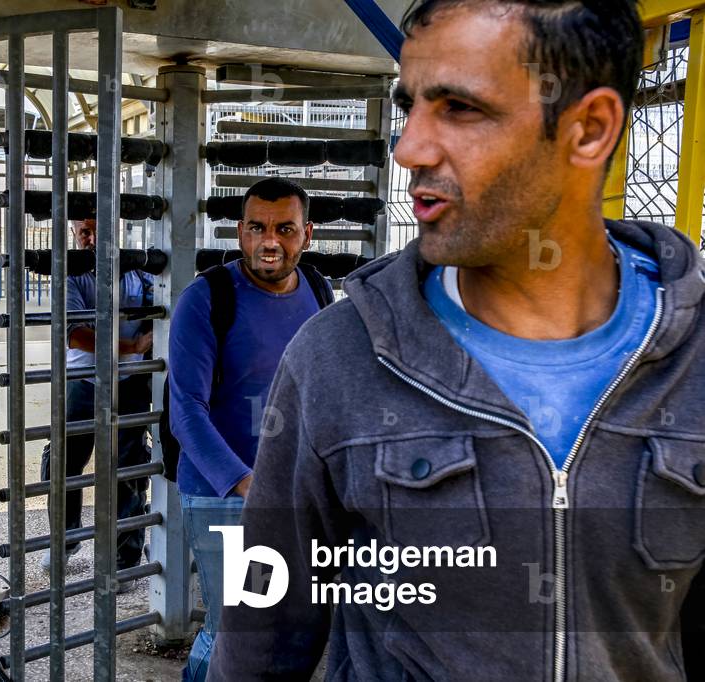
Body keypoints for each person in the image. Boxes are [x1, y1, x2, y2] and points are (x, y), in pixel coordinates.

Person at [209, 1, 705, 680]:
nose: (409, 147)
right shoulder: (336, 358)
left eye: (459, 108)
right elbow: (261, 632)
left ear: (588, 130)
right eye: (409, 105)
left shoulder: (695, 357)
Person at [169, 177, 332, 681]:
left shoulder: (320, 291)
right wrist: (247, 484)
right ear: (239, 232)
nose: (270, 241)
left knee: (283, 627)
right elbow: (186, 412)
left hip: (295, 493)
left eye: (285, 229)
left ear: (307, 233)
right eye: (257, 227)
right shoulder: (206, 299)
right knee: (234, 630)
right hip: (224, 494)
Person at [39, 218, 153, 589]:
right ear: (73, 235)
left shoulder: (139, 272)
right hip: (83, 384)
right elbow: (75, 334)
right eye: (83, 231)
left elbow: (162, 310)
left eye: (97, 228)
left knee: (128, 468)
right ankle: (65, 537)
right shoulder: (71, 276)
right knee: (62, 462)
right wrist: (133, 347)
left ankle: (124, 558)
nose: (91, 237)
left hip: (131, 385)